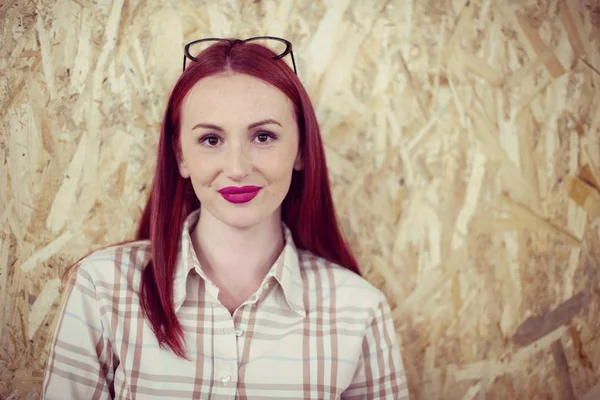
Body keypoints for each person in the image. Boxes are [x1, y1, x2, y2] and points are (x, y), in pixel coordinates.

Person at [42, 36, 409, 399]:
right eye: (211, 140)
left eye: (263, 136)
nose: (237, 168)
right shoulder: (103, 288)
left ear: (300, 151)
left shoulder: (360, 310)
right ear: (181, 156)